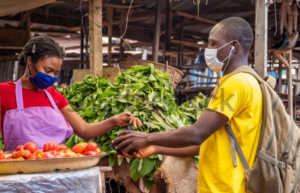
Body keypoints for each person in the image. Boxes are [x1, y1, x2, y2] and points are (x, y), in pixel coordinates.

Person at [113, 17, 262, 193]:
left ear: (234, 46)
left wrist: (146, 138)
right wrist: (156, 149)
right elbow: (206, 144)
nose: (209, 50)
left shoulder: (235, 84)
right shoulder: (250, 80)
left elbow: (196, 134)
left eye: (214, 44)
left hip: (226, 187)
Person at [0, 35, 142, 151]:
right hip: (18, 171)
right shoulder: (4, 91)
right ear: (30, 61)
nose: (51, 77)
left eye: (55, 73)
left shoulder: (55, 97)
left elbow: (84, 130)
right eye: (47, 70)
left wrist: (114, 120)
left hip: (57, 167)